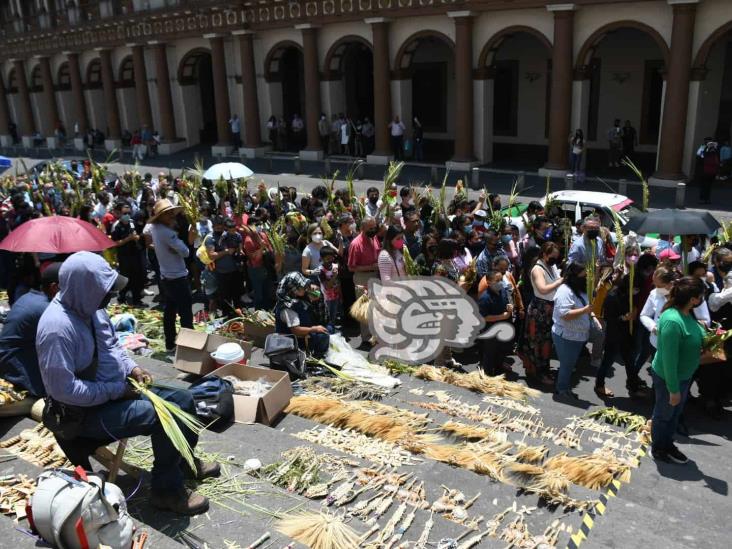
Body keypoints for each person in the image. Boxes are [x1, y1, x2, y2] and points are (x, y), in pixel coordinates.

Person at [36, 252, 219, 515]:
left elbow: (112, 346)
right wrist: (116, 390)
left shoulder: (91, 307)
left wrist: (132, 368)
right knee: (162, 415)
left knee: (183, 399)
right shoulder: (57, 328)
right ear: (85, 289)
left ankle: (184, 462)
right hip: (83, 415)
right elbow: (64, 390)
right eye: (104, 290)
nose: (109, 296)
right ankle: (166, 491)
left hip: (114, 393)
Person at [650, 277, 707, 464]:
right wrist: (673, 390)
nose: (702, 300)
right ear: (693, 299)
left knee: (674, 415)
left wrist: (707, 336)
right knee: (664, 415)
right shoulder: (673, 321)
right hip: (670, 378)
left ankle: (667, 443)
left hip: (683, 376)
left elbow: (695, 332)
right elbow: (669, 360)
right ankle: (659, 447)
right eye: (701, 296)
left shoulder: (687, 313)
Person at [0, 262, 61, 397]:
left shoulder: (31, 296)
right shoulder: (44, 309)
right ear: (55, 287)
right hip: (17, 368)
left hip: (10, 359)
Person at [149, 199, 195, 352]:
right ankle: (189, 346)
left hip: (165, 275)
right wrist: (187, 239)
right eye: (167, 214)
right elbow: (186, 252)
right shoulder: (168, 233)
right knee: (185, 313)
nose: (171, 216)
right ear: (160, 217)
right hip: (177, 277)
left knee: (169, 311)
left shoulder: (154, 228)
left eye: (171, 213)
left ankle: (170, 343)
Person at [518, 242, 562, 385]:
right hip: (540, 309)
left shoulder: (551, 265)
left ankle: (544, 368)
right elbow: (543, 289)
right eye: (552, 256)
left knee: (547, 342)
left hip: (550, 307)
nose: (554, 259)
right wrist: (560, 281)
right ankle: (538, 372)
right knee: (538, 341)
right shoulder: (537, 269)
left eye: (556, 256)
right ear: (544, 254)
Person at [552, 262, 598, 399]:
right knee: (567, 365)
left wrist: (592, 316)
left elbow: (586, 305)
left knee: (570, 364)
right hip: (566, 335)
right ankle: (562, 390)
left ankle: (565, 388)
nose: (585, 278)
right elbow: (564, 314)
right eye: (583, 276)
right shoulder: (564, 291)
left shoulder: (580, 289)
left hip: (578, 335)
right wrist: (584, 311)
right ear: (574, 276)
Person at [274, 272, 330, 357]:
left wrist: (317, 297)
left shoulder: (297, 296)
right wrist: (314, 329)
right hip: (292, 341)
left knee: (329, 328)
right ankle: (317, 357)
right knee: (323, 335)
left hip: (305, 332)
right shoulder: (288, 307)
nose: (306, 288)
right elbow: (295, 330)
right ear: (293, 289)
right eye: (303, 287)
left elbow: (321, 313)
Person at [347, 217, 381, 344]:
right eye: (370, 228)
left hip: (375, 276)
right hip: (362, 277)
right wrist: (370, 267)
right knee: (365, 308)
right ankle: (367, 337)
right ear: (363, 228)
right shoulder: (356, 244)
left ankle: (375, 334)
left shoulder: (374, 237)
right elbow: (351, 267)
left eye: (374, 227)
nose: (373, 230)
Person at [478, 270, 514, 376]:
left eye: (501, 280)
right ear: (489, 283)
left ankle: (499, 366)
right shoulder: (485, 298)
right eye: (497, 280)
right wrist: (502, 316)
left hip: (502, 327)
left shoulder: (502, 290)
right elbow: (484, 317)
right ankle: (488, 373)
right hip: (490, 330)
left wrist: (510, 306)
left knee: (501, 349)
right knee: (490, 352)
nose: (501, 282)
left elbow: (508, 300)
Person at [111, 203, 146, 307]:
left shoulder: (131, 223)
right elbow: (115, 243)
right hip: (124, 256)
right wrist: (128, 239)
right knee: (125, 278)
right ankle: (121, 299)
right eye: (125, 213)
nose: (127, 215)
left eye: (129, 213)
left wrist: (137, 238)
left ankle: (136, 300)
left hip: (135, 254)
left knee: (136, 278)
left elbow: (137, 234)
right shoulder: (116, 226)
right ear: (118, 213)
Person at [318, 246, 342, 325]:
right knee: (327, 316)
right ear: (322, 258)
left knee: (334, 315)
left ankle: (333, 329)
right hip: (326, 298)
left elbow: (338, 282)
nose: (330, 261)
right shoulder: (321, 270)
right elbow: (327, 286)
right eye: (327, 259)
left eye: (331, 258)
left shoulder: (335, 266)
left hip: (335, 296)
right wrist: (334, 276)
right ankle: (329, 331)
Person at [696, 138, 719, 204]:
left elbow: (698, 158)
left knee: (703, 185)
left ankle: (702, 199)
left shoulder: (703, 149)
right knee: (708, 186)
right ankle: (707, 199)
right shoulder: (714, 150)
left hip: (704, 171)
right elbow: (717, 161)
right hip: (711, 172)